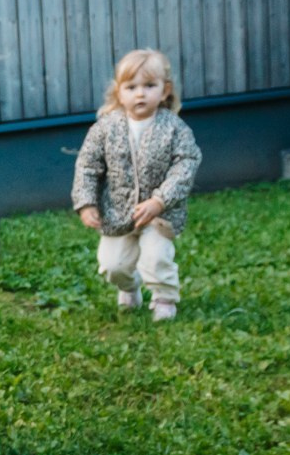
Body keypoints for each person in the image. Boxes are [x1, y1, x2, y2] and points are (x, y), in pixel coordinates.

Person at [72, 50, 203, 323]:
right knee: (113, 265)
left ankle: (164, 298)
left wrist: (160, 200)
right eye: (131, 87)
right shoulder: (105, 128)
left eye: (149, 86)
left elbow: (186, 165)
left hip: (159, 216)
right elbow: (87, 166)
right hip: (118, 213)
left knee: (156, 258)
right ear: (119, 92)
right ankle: (129, 286)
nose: (140, 94)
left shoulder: (175, 128)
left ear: (165, 91)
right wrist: (86, 204)